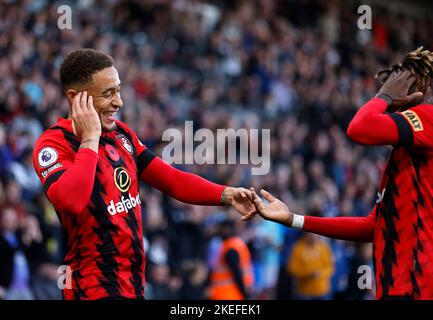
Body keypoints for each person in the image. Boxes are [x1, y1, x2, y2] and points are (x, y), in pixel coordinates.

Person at [32, 48, 256, 300]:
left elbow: (172, 180)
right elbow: (70, 201)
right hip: (91, 288)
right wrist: (90, 138)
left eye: (118, 90)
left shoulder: (121, 134)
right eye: (108, 94)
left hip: (133, 284)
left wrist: (226, 194)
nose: (119, 102)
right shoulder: (53, 144)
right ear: (75, 98)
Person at [246, 47, 433, 300]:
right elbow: (372, 227)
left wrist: (383, 97)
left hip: (417, 289)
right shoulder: (406, 161)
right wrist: (294, 219)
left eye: (399, 84)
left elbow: (360, 128)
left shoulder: (428, 116)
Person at [208, 218, 254, 300]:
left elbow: (236, 273)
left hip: (227, 294)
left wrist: (243, 293)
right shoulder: (239, 243)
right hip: (235, 293)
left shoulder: (230, 248)